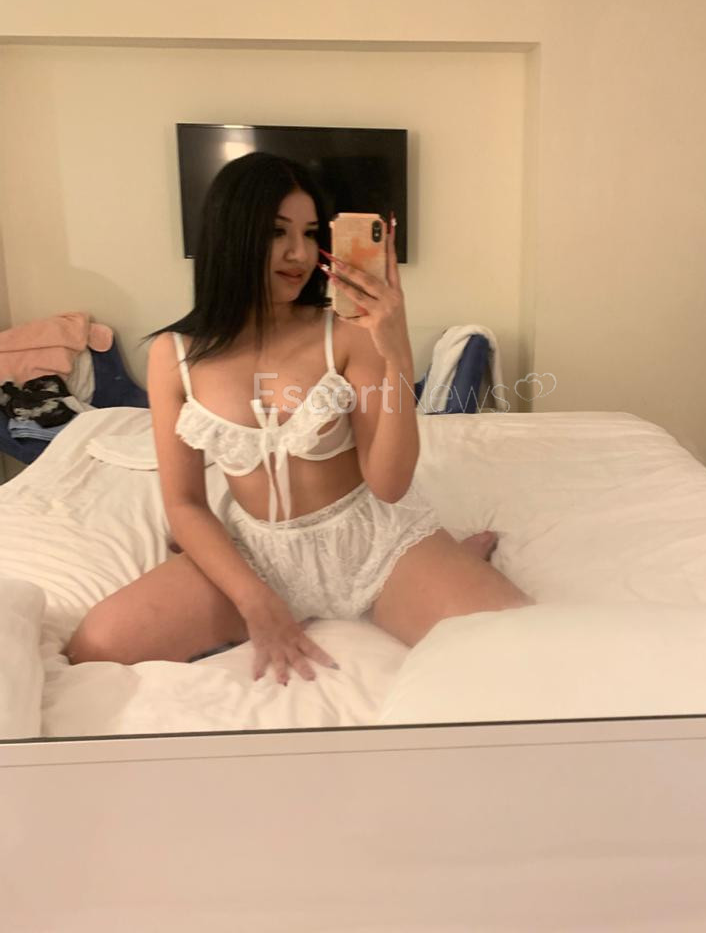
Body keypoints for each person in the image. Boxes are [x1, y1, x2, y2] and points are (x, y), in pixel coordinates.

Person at [66, 153, 532, 683]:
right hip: (255, 553)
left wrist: (397, 351)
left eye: (311, 233)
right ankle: (444, 564)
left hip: (374, 545)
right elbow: (184, 503)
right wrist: (254, 600)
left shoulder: (347, 333)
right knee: (93, 647)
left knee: (520, 647)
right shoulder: (173, 355)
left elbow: (390, 484)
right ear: (230, 234)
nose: (301, 253)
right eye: (277, 232)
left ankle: (446, 557)